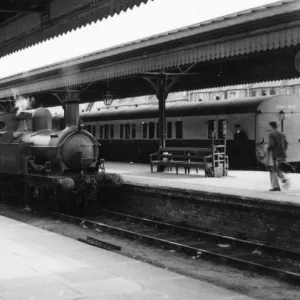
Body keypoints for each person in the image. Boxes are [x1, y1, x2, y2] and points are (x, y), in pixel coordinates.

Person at [267, 121, 290, 191]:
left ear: (271, 126)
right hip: (282, 155)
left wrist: (268, 148)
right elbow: (286, 144)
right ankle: (284, 180)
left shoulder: (271, 134)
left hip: (275, 155)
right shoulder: (283, 134)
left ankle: (276, 186)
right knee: (279, 169)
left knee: (273, 170)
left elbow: (272, 145)